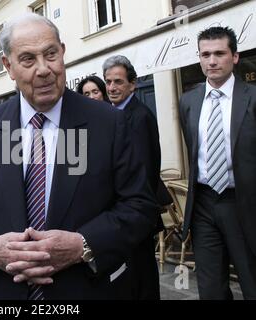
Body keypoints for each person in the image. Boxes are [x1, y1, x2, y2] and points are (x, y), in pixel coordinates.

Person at [0, 13, 158, 300]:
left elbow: (139, 205)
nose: (44, 69)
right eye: (28, 59)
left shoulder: (108, 123)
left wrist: (84, 244)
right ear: (8, 66)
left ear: (63, 53)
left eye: (50, 54)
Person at [179, 26, 256, 300]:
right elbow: (193, 150)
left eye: (219, 53)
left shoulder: (252, 97)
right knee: (211, 290)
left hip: (244, 203)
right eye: (205, 54)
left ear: (235, 57)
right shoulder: (188, 101)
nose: (212, 61)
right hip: (203, 205)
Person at [102, 55, 171, 300]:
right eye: (108, 81)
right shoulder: (111, 114)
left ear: (133, 84)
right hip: (120, 212)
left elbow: (145, 168)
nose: (111, 87)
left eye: (118, 82)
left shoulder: (139, 116)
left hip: (136, 211)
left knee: (142, 274)